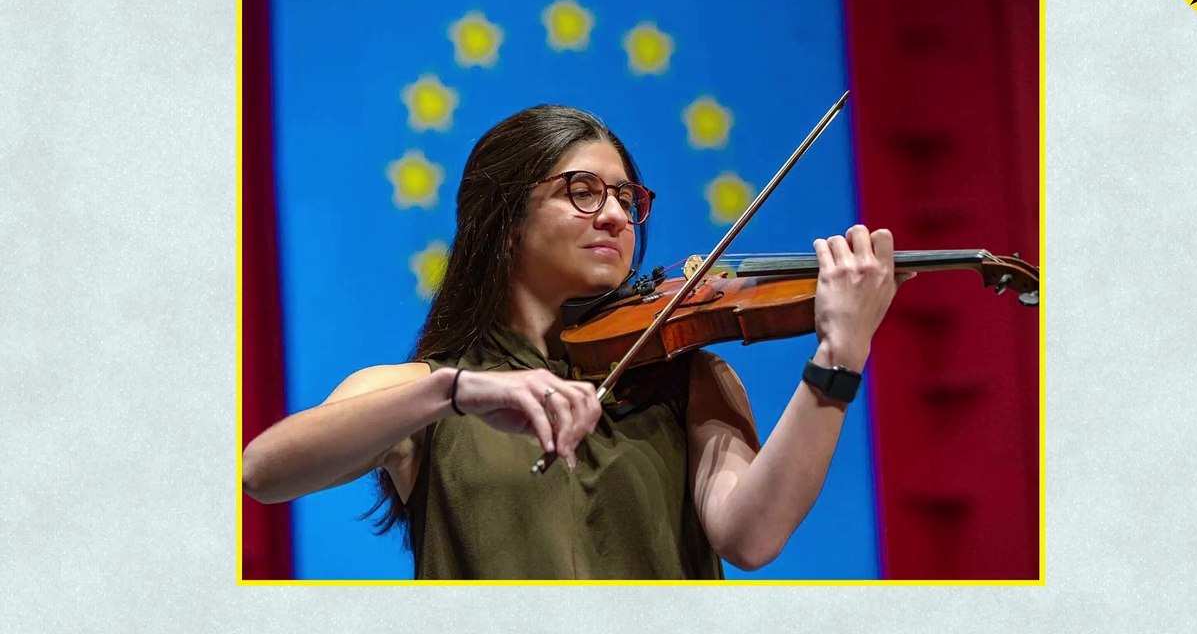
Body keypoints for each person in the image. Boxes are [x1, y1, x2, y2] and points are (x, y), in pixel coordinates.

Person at [241, 104, 912, 579]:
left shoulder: (685, 376)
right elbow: (263, 474)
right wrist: (453, 392)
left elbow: (752, 537)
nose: (617, 216)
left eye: (627, 197)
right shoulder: (428, 392)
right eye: (583, 193)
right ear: (505, 221)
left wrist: (837, 357)